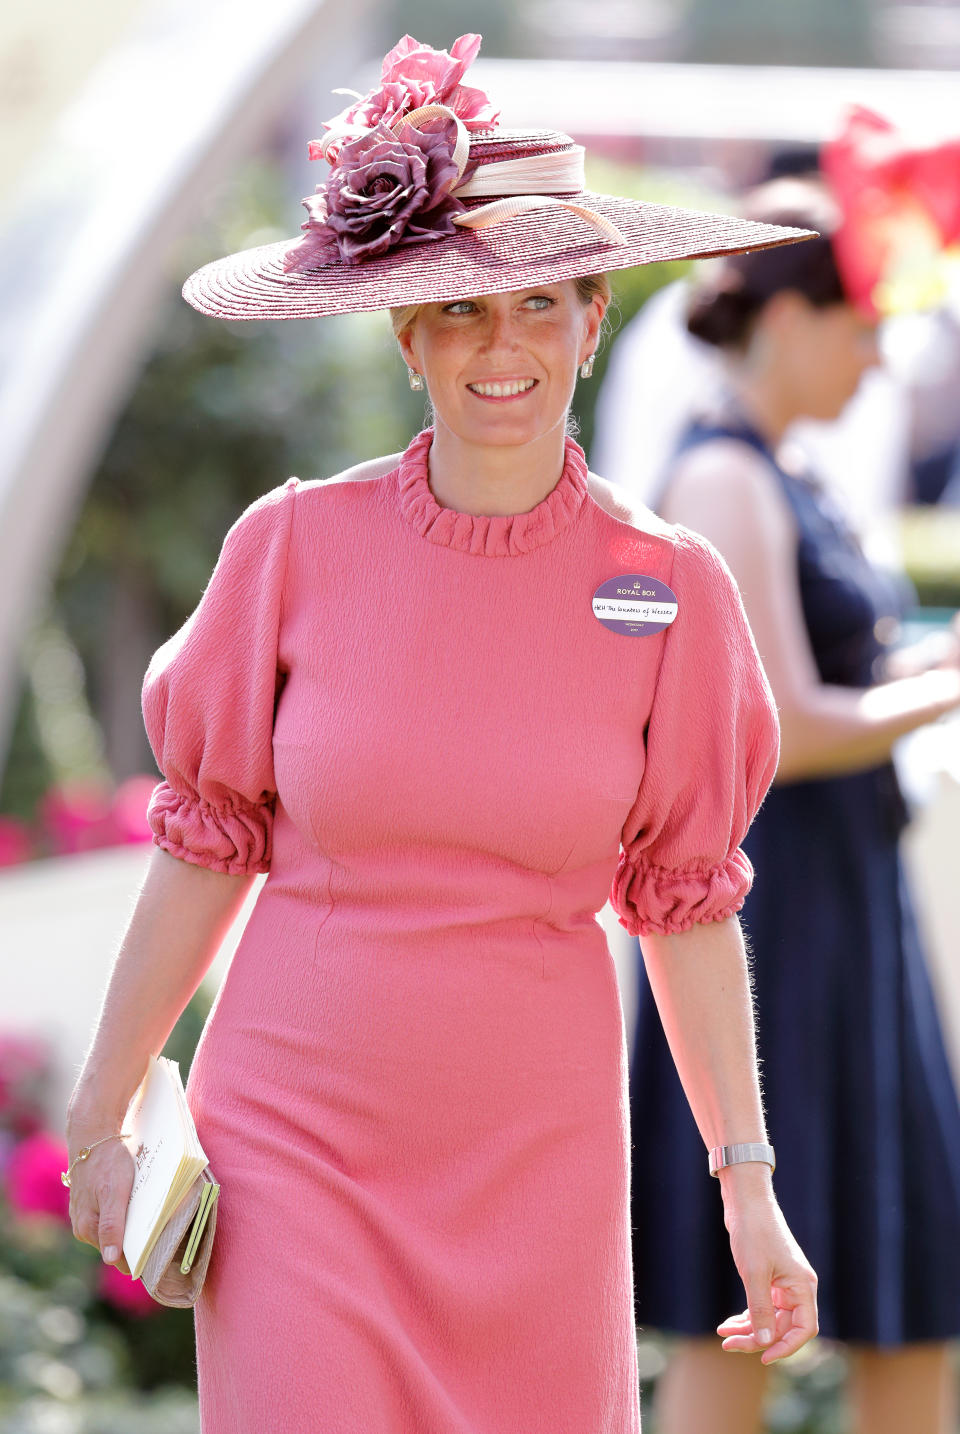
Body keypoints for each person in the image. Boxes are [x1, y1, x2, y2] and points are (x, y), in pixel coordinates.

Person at [63, 35, 818, 1432]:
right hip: (299, 1145)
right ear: (408, 336)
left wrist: (750, 1186)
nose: (503, 346)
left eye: (539, 304)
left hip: (538, 1165)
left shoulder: (673, 593)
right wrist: (102, 1114)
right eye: (462, 314)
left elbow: (686, 910)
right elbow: (205, 847)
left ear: (593, 322)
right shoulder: (289, 547)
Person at [625, 178, 960, 1434]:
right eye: (863, 328)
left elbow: (830, 685)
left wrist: (908, 680)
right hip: (773, 932)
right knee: (734, 1304)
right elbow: (780, 736)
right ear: (792, 317)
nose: (877, 365)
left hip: (847, 915)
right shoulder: (724, 476)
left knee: (913, 1277)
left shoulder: (787, 468)